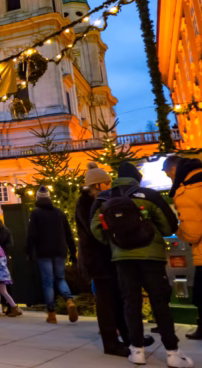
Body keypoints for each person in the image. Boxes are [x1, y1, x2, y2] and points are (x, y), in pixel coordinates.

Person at [91, 162, 193, 367]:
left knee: (131, 303)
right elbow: (168, 226)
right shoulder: (149, 195)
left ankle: (136, 350)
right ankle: (173, 353)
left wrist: (114, 243)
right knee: (159, 304)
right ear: (136, 178)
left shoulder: (104, 198)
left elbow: (95, 229)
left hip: (122, 259)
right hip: (151, 258)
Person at [76, 163, 133, 357]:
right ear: (98, 184)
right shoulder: (86, 202)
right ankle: (111, 343)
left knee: (116, 298)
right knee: (107, 302)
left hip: (105, 258)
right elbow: (94, 231)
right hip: (97, 259)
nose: (109, 185)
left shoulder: (98, 200)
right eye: (107, 182)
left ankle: (128, 337)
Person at [26, 185, 78, 325]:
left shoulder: (35, 213)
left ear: (37, 199)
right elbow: (68, 234)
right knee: (60, 279)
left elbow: (32, 235)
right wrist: (73, 252)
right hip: (60, 251)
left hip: (44, 252)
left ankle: (51, 314)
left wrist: (29, 251)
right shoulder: (59, 212)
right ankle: (69, 301)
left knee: (48, 282)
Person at [165, 155, 202, 340]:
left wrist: (178, 233)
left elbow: (193, 233)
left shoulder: (187, 191)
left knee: (200, 294)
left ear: (173, 170)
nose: (170, 180)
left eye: (168, 176)